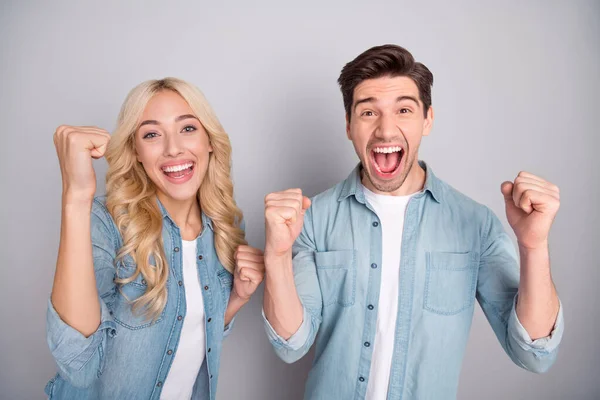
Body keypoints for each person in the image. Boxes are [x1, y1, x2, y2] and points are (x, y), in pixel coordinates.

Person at [262, 45, 564, 399]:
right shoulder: (311, 219)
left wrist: (533, 246)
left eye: (403, 110)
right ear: (348, 126)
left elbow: (534, 354)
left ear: (427, 120)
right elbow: (290, 345)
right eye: (368, 112)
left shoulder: (476, 224)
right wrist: (276, 255)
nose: (386, 130)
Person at [45, 78, 264, 400]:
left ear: (210, 141)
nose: (173, 148)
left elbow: (186, 336)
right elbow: (78, 364)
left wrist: (236, 300)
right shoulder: (106, 222)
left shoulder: (225, 225)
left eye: (188, 128)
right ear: (135, 152)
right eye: (151, 134)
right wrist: (76, 198)